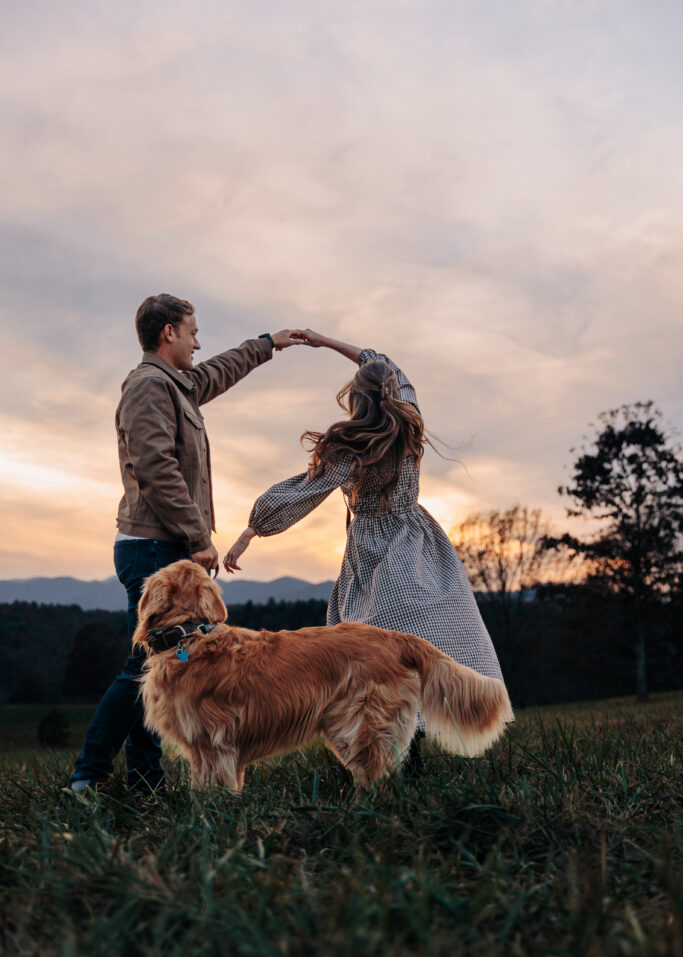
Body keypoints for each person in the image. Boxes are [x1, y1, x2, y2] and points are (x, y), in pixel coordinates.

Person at [223, 329, 511, 778]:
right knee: (431, 640)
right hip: (421, 541)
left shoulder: (351, 445)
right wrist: (328, 341)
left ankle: (393, 758)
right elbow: (385, 362)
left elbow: (304, 492)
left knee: (372, 655)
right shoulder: (411, 418)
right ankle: (425, 744)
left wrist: (251, 531)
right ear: (393, 393)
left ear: (355, 401)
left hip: (377, 553)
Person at [70, 294, 298, 794]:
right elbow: (156, 468)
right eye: (192, 331)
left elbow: (217, 371)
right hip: (155, 549)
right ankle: (87, 777)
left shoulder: (177, 385)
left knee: (161, 669)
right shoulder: (150, 387)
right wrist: (198, 537)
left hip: (161, 546)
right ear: (168, 332)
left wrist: (266, 345)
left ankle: (145, 781)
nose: (199, 340)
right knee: (145, 667)